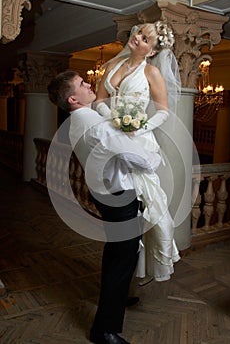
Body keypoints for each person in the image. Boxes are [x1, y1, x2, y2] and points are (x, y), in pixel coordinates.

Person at [47, 70, 162, 344]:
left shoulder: (76, 121)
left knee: (121, 254)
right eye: (83, 85)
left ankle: (117, 299)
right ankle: (104, 330)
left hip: (106, 194)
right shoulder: (97, 125)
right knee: (120, 259)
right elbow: (143, 160)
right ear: (73, 98)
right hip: (119, 195)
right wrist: (152, 156)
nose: (90, 85)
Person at [94, 21, 181, 284]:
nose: (138, 39)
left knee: (142, 205)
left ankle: (133, 272)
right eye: (138, 34)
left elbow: (164, 111)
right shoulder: (111, 65)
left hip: (138, 140)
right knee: (117, 202)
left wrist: (139, 127)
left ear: (152, 51)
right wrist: (112, 118)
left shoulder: (151, 73)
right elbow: (98, 100)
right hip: (110, 137)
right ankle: (123, 271)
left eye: (145, 40)